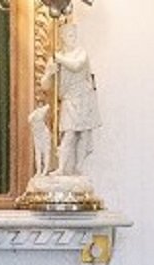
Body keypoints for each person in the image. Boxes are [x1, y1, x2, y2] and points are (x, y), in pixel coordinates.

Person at [40, 21, 101, 177]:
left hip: (83, 97)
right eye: (69, 35)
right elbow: (45, 86)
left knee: (83, 133)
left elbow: (76, 66)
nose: (73, 38)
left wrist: (59, 58)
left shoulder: (80, 53)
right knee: (69, 133)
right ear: (62, 38)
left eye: (74, 35)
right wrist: (49, 74)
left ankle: (78, 167)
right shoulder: (56, 59)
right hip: (68, 99)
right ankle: (62, 168)